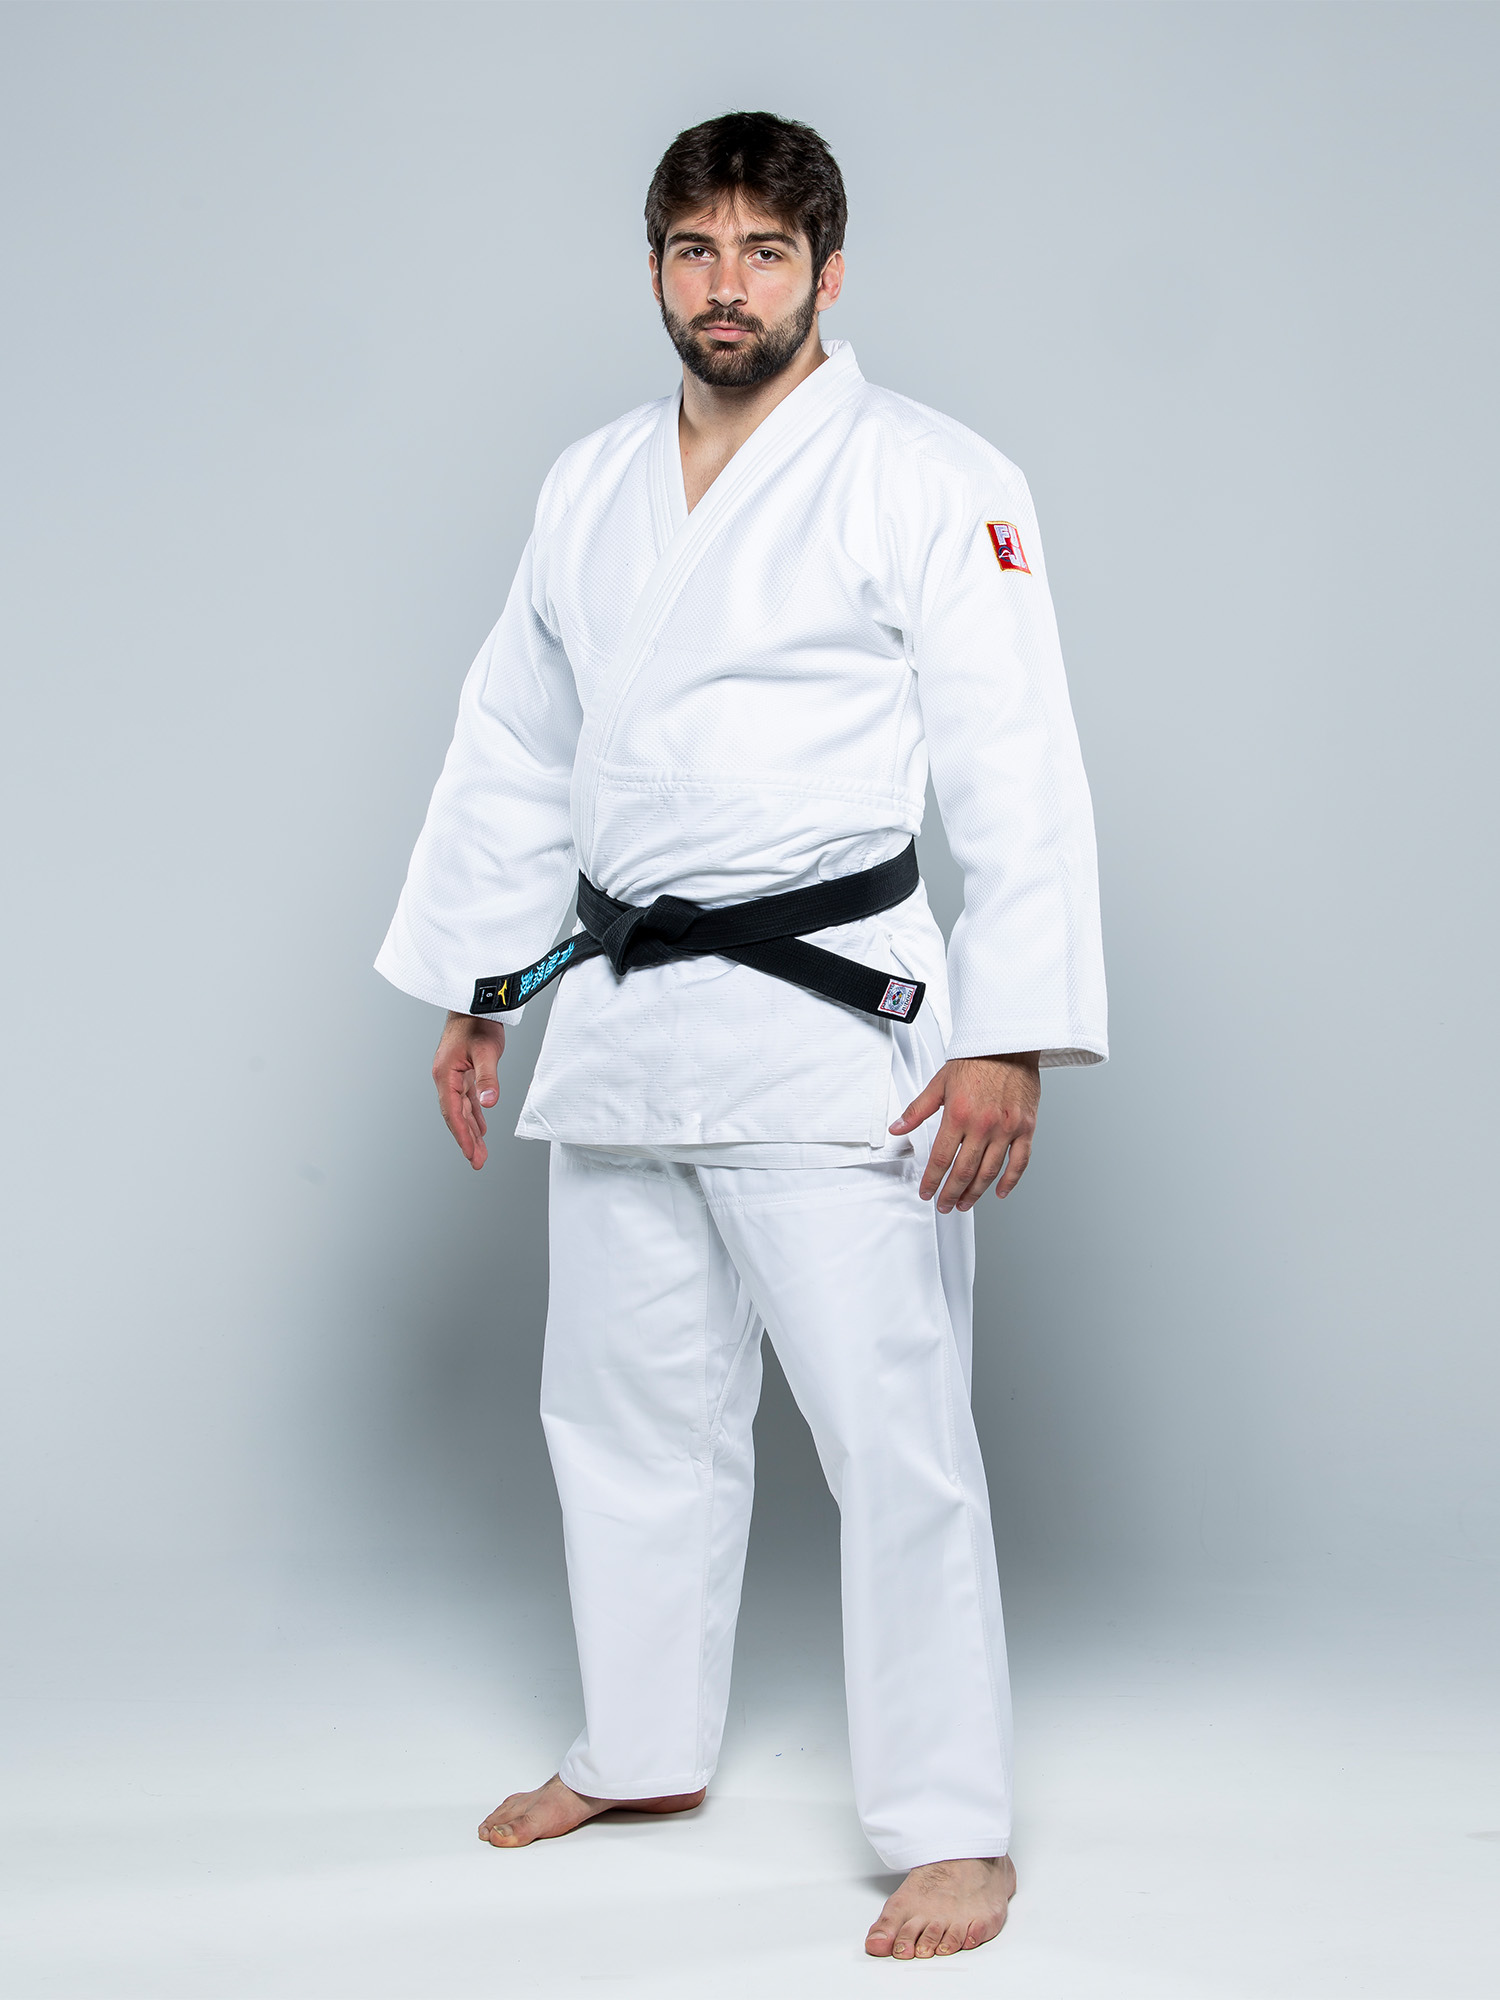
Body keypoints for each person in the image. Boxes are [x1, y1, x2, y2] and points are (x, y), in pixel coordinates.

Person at [376, 110, 1106, 1961]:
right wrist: (482, 984)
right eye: (695, 252)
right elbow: (515, 743)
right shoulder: (588, 484)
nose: (727, 287)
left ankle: (953, 1824)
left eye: (764, 254)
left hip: (833, 1023)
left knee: (895, 1435)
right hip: (619, 1012)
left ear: (827, 274)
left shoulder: (933, 476)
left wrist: (1011, 1029)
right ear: (654, 271)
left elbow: (1018, 761)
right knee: (623, 1415)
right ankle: (639, 1746)